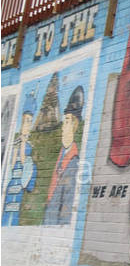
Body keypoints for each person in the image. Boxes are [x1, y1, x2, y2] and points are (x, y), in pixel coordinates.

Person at [44, 86, 84, 226]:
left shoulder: (74, 162)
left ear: (74, 126)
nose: (62, 126)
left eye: (66, 121)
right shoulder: (61, 156)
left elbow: (67, 207)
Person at [3, 109, 37, 226]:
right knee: (6, 209)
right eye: (26, 121)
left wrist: (22, 143)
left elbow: (23, 161)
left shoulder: (28, 144)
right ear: (22, 122)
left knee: (14, 212)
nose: (28, 124)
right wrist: (16, 146)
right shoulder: (16, 142)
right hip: (12, 181)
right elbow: (11, 164)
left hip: (20, 182)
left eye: (30, 121)